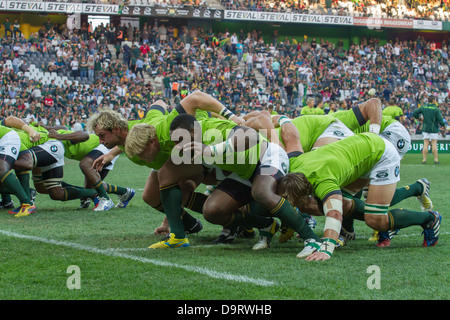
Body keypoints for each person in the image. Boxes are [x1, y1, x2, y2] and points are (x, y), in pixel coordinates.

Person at [277, 119, 441, 261]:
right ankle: (389, 221)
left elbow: (334, 213)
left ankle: (429, 219)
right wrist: (279, 118)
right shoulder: (295, 163)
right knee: (344, 204)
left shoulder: (323, 181)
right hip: (359, 151)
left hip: (381, 154)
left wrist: (327, 247)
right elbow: (291, 133)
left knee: (374, 219)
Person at [43, 126, 135, 211]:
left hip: (104, 146)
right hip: (95, 152)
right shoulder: (47, 141)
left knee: (85, 164)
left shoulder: (54, 139)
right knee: (92, 188)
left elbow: (84, 135)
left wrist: (57, 135)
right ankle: (125, 192)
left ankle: (105, 199)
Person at [0, 124, 36, 217]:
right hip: (10, 138)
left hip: (7, 138)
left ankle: (27, 204)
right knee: (18, 168)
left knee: (1, 170)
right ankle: (27, 195)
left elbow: (10, 120)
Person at [413, 95, 446, 164]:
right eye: (435, 100)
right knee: (434, 144)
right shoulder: (436, 109)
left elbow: (414, 113)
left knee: (425, 144)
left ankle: (424, 160)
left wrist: (419, 118)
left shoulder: (424, 107)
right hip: (433, 128)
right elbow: (440, 120)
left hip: (425, 128)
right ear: (433, 100)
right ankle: (436, 160)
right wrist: (443, 125)